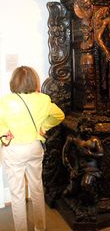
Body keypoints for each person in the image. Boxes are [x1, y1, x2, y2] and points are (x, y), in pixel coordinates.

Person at [0, 66, 65, 231]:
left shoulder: (5, 101)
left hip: (14, 150)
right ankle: (40, 227)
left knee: (17, 195)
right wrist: (44, 127)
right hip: (35, 147)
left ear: (14, 81)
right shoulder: (43, 99)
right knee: (37, 189)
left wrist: (3, 134)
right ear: (33, 81)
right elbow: (59, 115)